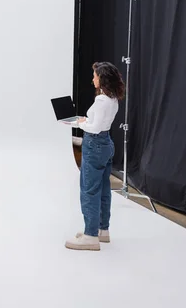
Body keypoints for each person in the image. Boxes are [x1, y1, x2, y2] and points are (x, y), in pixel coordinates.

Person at [65, 62, 124, 251]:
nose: (93, 79)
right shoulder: (112, 98)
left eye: (95, 76)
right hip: (106, 144)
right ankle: (102, 230)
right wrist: (86, 120)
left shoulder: (101, 100)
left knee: (89, 190)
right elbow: (100, 123)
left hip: (95, 144)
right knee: (104, 189)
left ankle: (90, 235)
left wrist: (79, 124)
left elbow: (95, 128)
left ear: (102, 78)